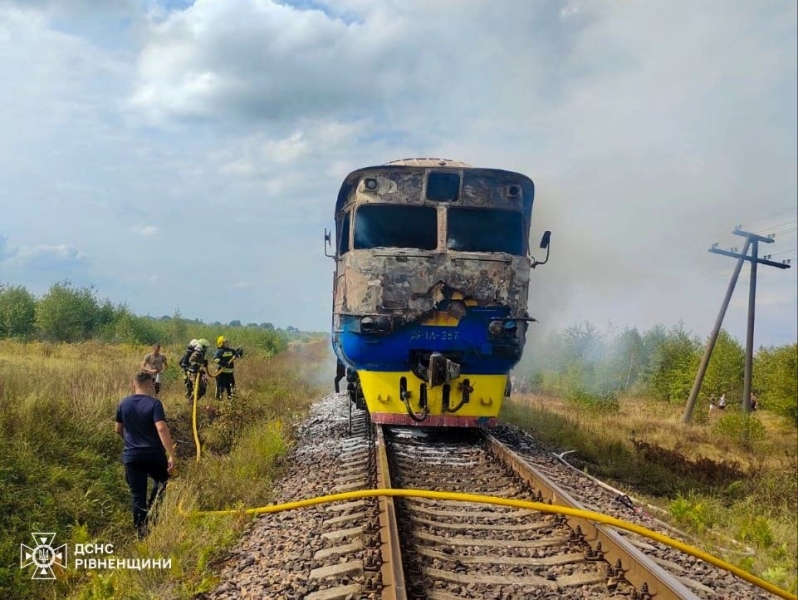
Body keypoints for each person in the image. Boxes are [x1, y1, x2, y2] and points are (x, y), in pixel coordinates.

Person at [114, 371, 177, 539]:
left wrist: (130, 442)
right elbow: (161, 428)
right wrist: (171, 454)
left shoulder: (123, 403)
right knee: (163, 482)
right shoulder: (155, 404)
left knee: (137, 496)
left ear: (132, 384)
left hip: (132, 456)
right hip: (154, 454)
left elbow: (118, 429)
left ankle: (142, 534)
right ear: (151, 385)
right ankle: (154, 511)